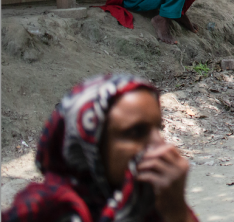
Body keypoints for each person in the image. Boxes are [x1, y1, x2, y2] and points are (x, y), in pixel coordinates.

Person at [2, 74, 197, 222]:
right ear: (89, 145)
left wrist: (177, 212)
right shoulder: (40, 211)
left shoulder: (153, 204)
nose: (160, 145)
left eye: (158, 129)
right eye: (136, 132)